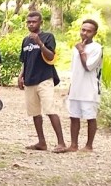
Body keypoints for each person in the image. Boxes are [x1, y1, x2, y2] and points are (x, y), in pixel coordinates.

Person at [18, 11, 66, 152]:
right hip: (30, 79)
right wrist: (21, 75)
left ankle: (61, 143)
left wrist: (39, 43)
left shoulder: (48, 37)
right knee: (35, 112)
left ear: (40, 23)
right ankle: (41, 142)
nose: (31, 24)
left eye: (34, 21)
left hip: (45, 78)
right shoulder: (26, 40)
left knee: (50, 110)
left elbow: (51, 56)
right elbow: (25, 60)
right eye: (29, 22)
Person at [62, 19, 103, 152]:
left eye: (88, 31)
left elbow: (88, 67)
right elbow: (75, 70)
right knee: (74, 116)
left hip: (89, 89)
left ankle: (89, 146)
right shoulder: (77, 47)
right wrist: (70, 87)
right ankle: (73, 145)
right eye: (83, 30)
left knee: (90, 117)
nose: (85, 33)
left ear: (94, 33)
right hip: (76, 88)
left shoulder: (97, 48)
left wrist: (81, 51)